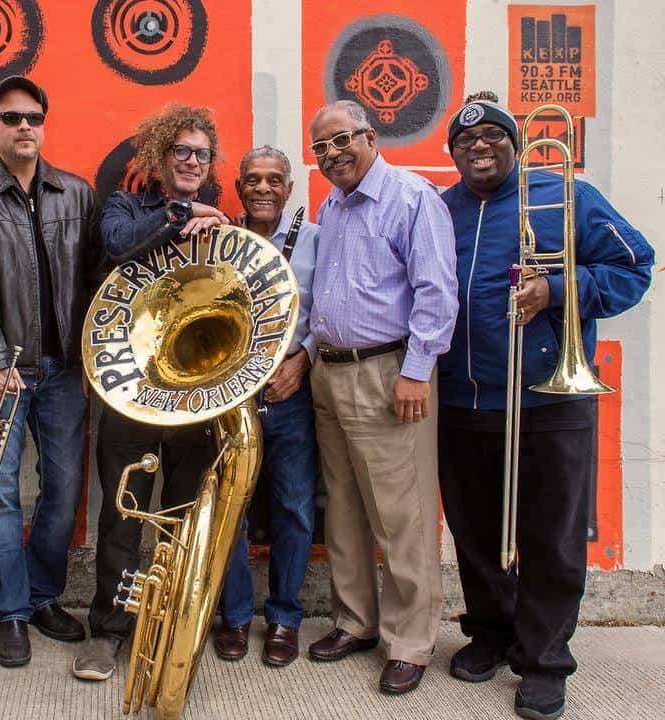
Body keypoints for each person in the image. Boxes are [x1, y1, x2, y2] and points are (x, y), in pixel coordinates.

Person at [439, 92, 654, 720]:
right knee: (475, 530)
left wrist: (558, 288)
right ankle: (491, 634)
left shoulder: (569, 194)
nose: (480, 147)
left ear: (513, 142)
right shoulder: (441, 209)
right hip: (463, 397)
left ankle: (544, 661)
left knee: (552, 536)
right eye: (465, 142)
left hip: (549, 398)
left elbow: (635, 266)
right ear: (452, 154)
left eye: (493, 137)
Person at [303, 100, 458, 695]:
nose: (331, 155)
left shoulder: (413, 198)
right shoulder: (331, 206)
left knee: (403, 515)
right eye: (320, 148)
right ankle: (356, 621)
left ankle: (410, 640)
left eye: (340, 140)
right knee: (342, 507)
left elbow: (436, 292)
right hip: (332, 372)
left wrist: (417, 371)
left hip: (390, 373)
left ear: (369, 136)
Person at [0, 76, 100, 668]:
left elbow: (92, 279)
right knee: (2, 496)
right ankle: (10, 612)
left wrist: (91, 359)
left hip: (63, 372)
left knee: (62, 493)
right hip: (3, 372)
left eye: (33, 116)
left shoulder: (77, 193)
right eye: (11, 118)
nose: (24, 127)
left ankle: (42, 596)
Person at [72, 104, 224, 681]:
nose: (191, 161)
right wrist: (181, 213)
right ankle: (109, 630)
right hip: (130, 386)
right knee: (124, 512)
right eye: (180, 151)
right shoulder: (126, 207)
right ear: (161, 159)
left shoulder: (219, 221)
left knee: (184, 513)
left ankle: (170, 623)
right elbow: (116, 245)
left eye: (201, 154)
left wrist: (214, 227)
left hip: (194, 390)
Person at [213, 146, 319, 668]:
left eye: (273, 180)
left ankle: (284, 618)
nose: (262, 188)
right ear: (238, 188)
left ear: (289, 188)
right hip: (230, 397)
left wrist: (302, 360)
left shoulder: (315, 240)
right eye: (252, 179)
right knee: (228, 508)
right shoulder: (220, 243)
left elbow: (326, 310)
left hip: (289, 394)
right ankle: (233, 616)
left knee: (294, 509)